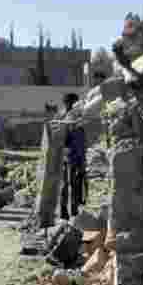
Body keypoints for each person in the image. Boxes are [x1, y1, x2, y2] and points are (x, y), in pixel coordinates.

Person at [59, 92, 87, 220]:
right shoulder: (73, 119)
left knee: (66, 185)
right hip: (72, 157)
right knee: (72, 184)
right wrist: (82, 161)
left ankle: (65, 211)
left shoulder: (62, 117)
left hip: (65, 157)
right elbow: (78, 142)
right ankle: (72, 211)